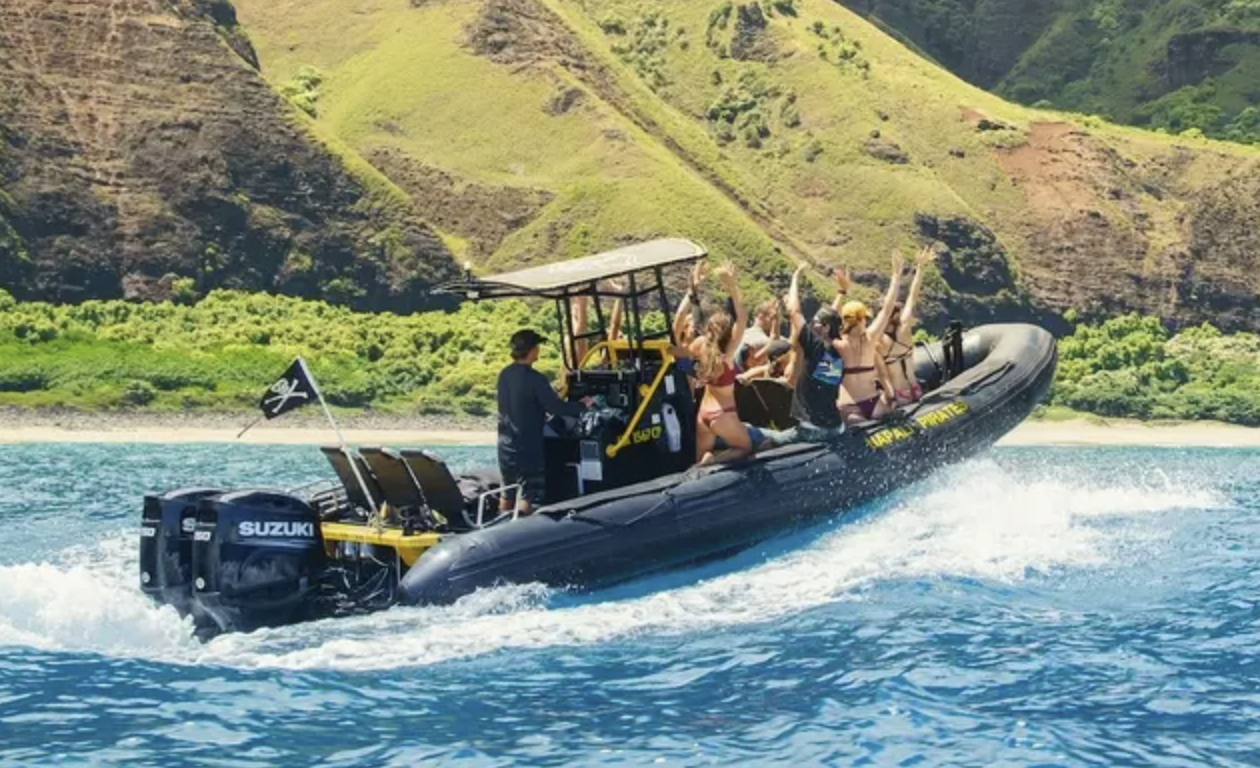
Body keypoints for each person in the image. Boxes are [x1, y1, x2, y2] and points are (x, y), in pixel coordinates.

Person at [497, 329, 594, 515]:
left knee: (507, 491)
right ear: (532, 350)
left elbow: (522, 402)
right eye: (537, 347)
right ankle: (523, 532)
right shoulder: (535, 379)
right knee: (529, 492)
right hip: (527, 446)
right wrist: (582, 406)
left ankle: (498, 526)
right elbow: (556, 408)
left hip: (504, 446)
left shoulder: (504, 374)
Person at [691, 263, 751, 465]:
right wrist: (732, 285)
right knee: (744, 448)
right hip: (722, 415)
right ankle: (715, 460)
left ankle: (706, 461)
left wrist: (694, 289)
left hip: (703, 414)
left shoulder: (700, 346)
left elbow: (696, 321)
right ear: (728, 334)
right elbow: (742, 318)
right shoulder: (727, 354)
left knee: (699, 462)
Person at [836, 251, 904, 424]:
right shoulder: (870, 337)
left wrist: (841, 292)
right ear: (861, 320)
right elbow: (887, 309)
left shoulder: (836, 343)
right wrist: (896, 277)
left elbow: (824, 320)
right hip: (871, 403)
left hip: (847, 405)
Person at [784, 263, 846, 431]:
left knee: (763, 440)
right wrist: (842, 292)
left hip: (813, 429)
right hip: (834, 426)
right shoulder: (837, 353)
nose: (812, 324)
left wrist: (795, 276)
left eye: (815, 322)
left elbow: (793, 311)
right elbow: (831, 316)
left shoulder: (815, 346)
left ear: (825, 328)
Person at [879, 245, 937, 405]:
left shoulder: (878, 342)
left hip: (900, 393)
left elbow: (881, 374)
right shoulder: (905, 328)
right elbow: (913, 295)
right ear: (897, 314)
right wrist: (920, 267)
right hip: (915, 387)